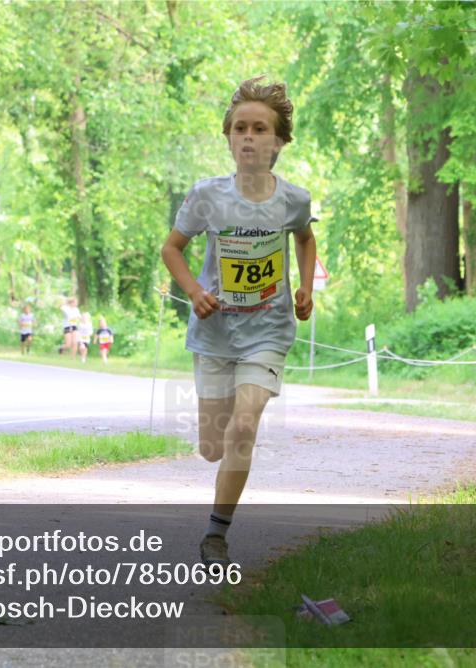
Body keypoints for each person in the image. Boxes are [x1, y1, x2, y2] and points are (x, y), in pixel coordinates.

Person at [160, 77, 316, 567]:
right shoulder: (207, 196)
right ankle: (217, 479)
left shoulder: (293, 199)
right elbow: (172, 249)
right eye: (240, 128)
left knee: (243, 428)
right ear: (228, 138)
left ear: (278, 141)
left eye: (260, 129)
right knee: (212, 446)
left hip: (268, 331)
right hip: (215, 332)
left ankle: (215, 534)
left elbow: (306, 239)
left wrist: (306, 287)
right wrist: (194, 291)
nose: (249, 137)